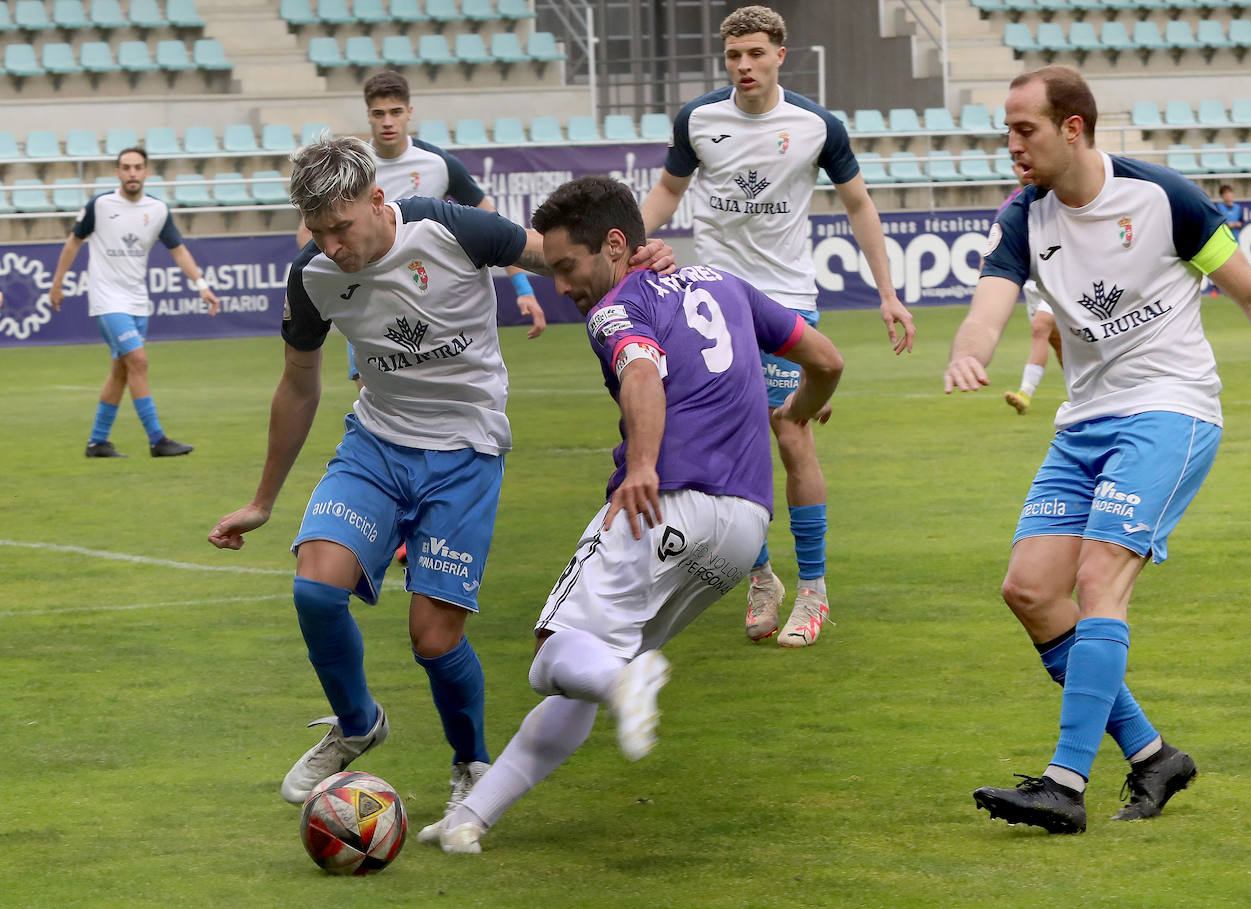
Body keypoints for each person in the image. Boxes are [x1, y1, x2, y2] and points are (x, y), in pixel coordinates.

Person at [944, 65, 1251, 835]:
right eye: (1006, 131)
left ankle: (1063, 784)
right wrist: (967, 351)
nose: (1011, 146)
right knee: (1031, 591)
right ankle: (1152, 754)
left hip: (1170, 410)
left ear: (1073, 128)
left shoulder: (1160, 196)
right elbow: (989, 306)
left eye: (1024, 130)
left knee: (1100, 575)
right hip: (1083, 423)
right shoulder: (1024, 217)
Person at [206, 138, 673, 814]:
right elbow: (298, 387)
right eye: (319, 231)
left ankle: (471, 762)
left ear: (376, 200)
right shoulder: (312, 276)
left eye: (342, 227)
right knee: (314, 588)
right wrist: (262, 499)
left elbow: (559, 256)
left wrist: (634, 257)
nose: (332, 245)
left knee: (434, 638)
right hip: (376, 445)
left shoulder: (449, 227)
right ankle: (358, 721)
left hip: (466, 453)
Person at [415, 174, 844, 854]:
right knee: (589, 670)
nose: (560, 285)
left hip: (663, 505)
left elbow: (642, 372)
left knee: (552, 655)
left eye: (566, 267)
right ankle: (475, 815)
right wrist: (798, 407)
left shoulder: (617, 306)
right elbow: (825, 357)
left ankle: (624, 680)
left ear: (615, 245)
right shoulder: (725, 283)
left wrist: (643, 464)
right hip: (743, 530)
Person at [639, 4, 914, 647]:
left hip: (787, 301)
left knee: (790, 435)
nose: (744, 67)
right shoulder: (699, 120)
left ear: (779, 55)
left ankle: (814, 591)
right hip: (710, 305)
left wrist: (888, 294)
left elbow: (859, 205)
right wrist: (618, 245)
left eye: (755, 54)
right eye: (734, 56)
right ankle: (762, 577)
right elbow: (667, 195)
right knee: (719, 453)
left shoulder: (817, 126)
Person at [296, 71, 547, 393]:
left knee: (435, 385)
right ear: (368, 115)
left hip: (428, 295)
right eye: (379, 114)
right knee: (372, 391)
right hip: (368, 295)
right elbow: (309, 229)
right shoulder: (352, 167)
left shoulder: (439, 164)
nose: (388, 122)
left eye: (395, 112)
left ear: (409, 113)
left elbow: (496, 226)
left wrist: (523, 286)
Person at [50, 146, 221, 458]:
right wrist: (57, 282)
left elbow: (178, 250)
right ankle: (157, 440)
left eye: (137, 167)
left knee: (122, 370)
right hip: (107, 299)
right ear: (117, 172)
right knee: (139, 362)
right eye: (125, 167)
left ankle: (97, 442)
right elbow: (73, 242)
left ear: (146, 172)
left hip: (138, 301)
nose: (131, 173)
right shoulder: (100, 205)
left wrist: (201, 285)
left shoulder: (157, 210)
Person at [1000, 162, 1062, 415]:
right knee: (1058, 343)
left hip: (1057, 277)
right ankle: (1086, 396)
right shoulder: (1011, 206)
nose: (1024, 169)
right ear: (1014, 168)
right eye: (1019, 165)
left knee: (1040, 327)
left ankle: (1025, 393)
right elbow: (1001, 238)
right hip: (1032, 283)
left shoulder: (1058, 194)